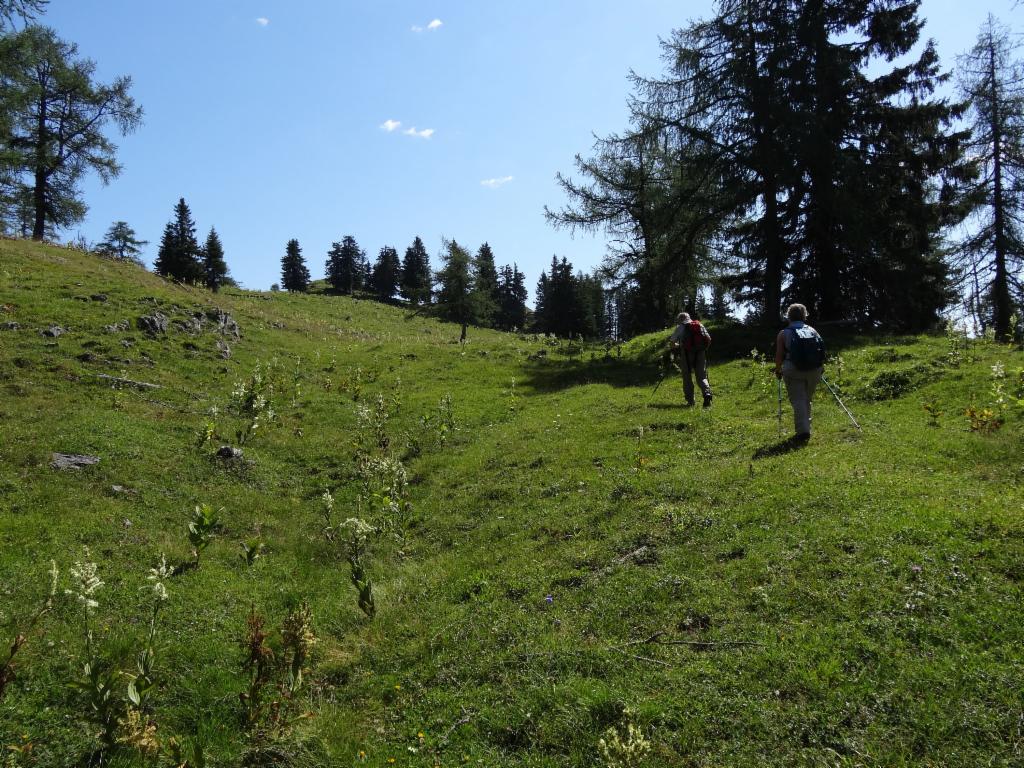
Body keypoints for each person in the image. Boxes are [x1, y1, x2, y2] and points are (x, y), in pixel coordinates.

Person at [774, 303, 825, 441]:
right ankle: (806, 426)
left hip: (793, 370)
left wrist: (778, 370)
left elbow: (779, 355)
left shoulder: (784, 333)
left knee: (798, 400)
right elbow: (821, 349)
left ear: (788, 316)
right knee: (807, 399)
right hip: (814, 370)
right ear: (804, 315)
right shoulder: (813, 331)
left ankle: (803, 432)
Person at [669, 311, 713, 407]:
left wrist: (679, 346)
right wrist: (703, 349)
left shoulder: (680, 327)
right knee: (702, 376)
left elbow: (672, 343)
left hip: (686, 354)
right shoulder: (699, 325)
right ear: (689, 318)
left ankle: (690, 401)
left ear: (680, 319)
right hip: (700, 353)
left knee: (687, 377)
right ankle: (707, 393)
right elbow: (709, 339)